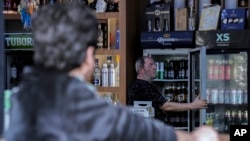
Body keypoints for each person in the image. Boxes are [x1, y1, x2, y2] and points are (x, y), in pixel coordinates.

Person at [5, 2, 219, 141]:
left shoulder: (13, 102)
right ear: (89, 56)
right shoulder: (88, 111)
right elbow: (152, 134)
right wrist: (201, 136)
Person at [127, 56, 208, 124]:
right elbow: (165, 106)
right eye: (150, 65)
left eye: (154, 64)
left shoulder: (138, 84)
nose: (155, 67)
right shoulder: (142, 86)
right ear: (141, 70)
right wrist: (192, 105)